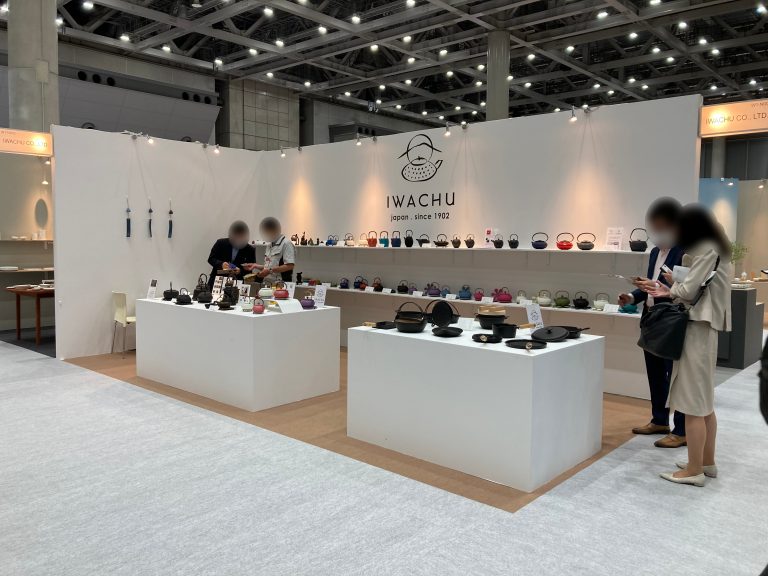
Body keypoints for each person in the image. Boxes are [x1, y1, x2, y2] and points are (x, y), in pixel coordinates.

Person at [641, 204, 732, 487]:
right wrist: (677, 284)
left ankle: (694, 470)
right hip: (706, 327)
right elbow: (700, 285)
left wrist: (670, 289)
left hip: (697, 327)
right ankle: (706, 462)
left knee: (692, 403)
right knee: (704, 403)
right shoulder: (718, 247)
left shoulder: (705, 248)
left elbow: (689, 290)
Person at [620, 198, 686, 449]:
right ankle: (659, 420)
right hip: (652, 319)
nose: (657, 232)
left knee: (676, 376)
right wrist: (632, 296)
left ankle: (681, 429)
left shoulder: (685, 251)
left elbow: (685, 289)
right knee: (655, 373)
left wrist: (661, 286)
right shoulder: (655, 252)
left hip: (672, 321)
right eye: (654, 228)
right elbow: (652, 284)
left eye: (661, 227)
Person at [243, 217, 295, 285]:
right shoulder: (269, 245)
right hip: (267, 283)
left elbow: (290, 266)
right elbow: (267, 267)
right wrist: (255, 265)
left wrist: (270, 271)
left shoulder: (286, 243)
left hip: (281, 285)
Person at [206, 221, 256, 289]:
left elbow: (250, 270)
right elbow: (211, 259)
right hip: (217, 282)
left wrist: (240, 271)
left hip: (237, 284)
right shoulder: (220, 243)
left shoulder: (250, 250)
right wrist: (221, 264)